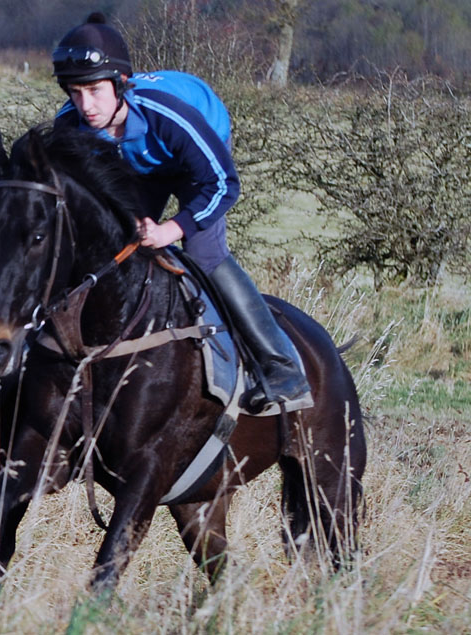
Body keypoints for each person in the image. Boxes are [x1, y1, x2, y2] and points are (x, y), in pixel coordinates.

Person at [52, 14, 311, 412]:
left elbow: (224, 185)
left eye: (94, 91)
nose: (85, 106)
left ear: (120, 85)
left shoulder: (167, 115)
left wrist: (172, 229)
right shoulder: (68, 125)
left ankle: (281, 365)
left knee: (204, 252)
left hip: (197, 161)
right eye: (75, 93)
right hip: (137, 168)